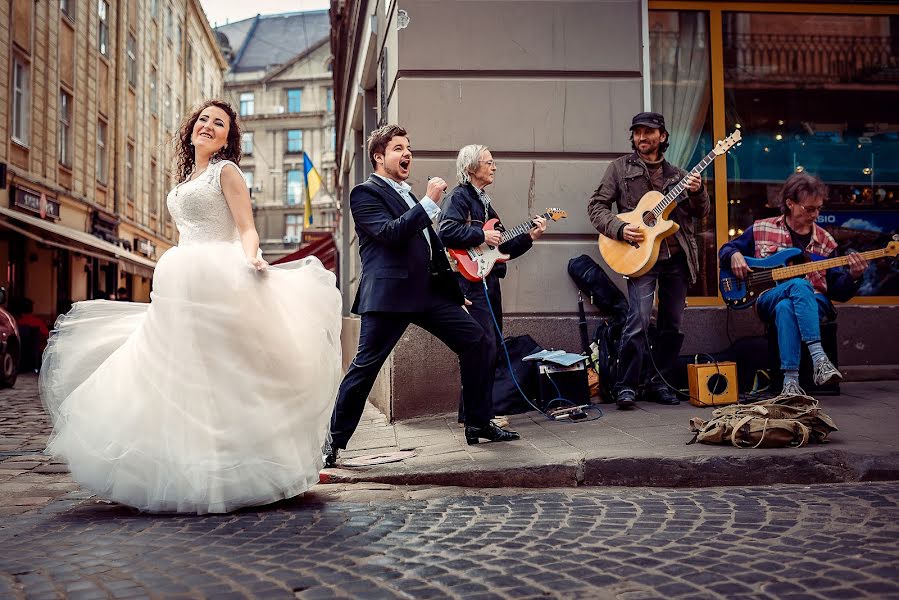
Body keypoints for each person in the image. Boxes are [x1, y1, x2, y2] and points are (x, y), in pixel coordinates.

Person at [39, 100, 343, 514]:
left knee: (221, 374)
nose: (208, 126)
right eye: (203, 120)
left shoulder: (226, 172)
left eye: (219, 124)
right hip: (179, 282)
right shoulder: (186, 178)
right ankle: (176, 465)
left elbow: (246, 226)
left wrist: (252, 258)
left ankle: (237, 469)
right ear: (192, 128)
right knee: (174, 373)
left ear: (226, 138)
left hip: (218, 276)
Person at [325, 125, 520, 468]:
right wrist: (429, 202)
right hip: (389, 294)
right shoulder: (364, 193)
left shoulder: (409, 196)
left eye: (409, 147)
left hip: (429, 294)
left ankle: (478, 421)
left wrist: (454, 293)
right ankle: (333, 442)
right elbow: (390, 234)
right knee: (365, 368)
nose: (407, 154)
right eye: (398, 148)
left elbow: (432, 250)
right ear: (379, 156)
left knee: (478, 340)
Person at [588, 112, 709, 410]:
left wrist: (698, 191)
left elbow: (700, 212)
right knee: (638, 319)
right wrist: (619, 228)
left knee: (672, 323)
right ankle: (626, 386)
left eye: (649, 132)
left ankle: (660, 383)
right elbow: (596, 206)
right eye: (638, 132)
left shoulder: (679, 175)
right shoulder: (619, 169)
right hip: (640, 256)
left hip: (676, 258)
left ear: (663, 136)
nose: (642, 137)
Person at [719, 172, 867, 396]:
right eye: (809, 209)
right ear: (790, 203)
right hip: (767, 297)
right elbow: (726, 249)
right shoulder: (762, 228)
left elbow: (838, 290)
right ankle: (819, 358)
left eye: (818, 208)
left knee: (786, 307)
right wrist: (733, 255)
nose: (815, 214)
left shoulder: (826, 241)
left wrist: (854, 276)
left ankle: (790, 383)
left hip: (815, 302)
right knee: (798, 286)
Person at [438, 144, 546, 423]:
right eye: (489, 162)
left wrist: (529, 236)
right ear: (472, 168)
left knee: (491, 347)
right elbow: (446, 231)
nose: (494, 166)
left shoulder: (485, 202)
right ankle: (477, 415)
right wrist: (481, 236)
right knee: (480, 346)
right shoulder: (460, 197)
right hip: (470, 283)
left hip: (488, 281)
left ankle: (481, 413)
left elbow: (501, 249)